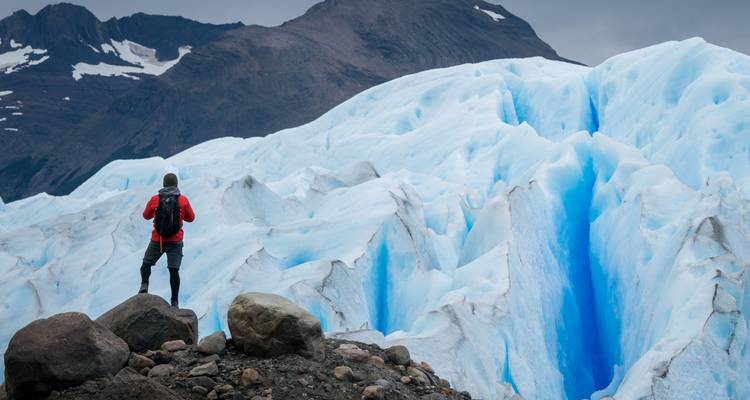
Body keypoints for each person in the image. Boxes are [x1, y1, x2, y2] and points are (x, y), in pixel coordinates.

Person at [139, 172, 195, 308]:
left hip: (158, 240)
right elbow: (191, 218)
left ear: (164, 184)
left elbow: (145, 216)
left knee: (146, 264)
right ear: (176, 184)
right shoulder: (182, 200)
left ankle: (144, 285)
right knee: (174, 271)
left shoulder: (155, 199)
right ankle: (174, 302)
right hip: (175, 241)